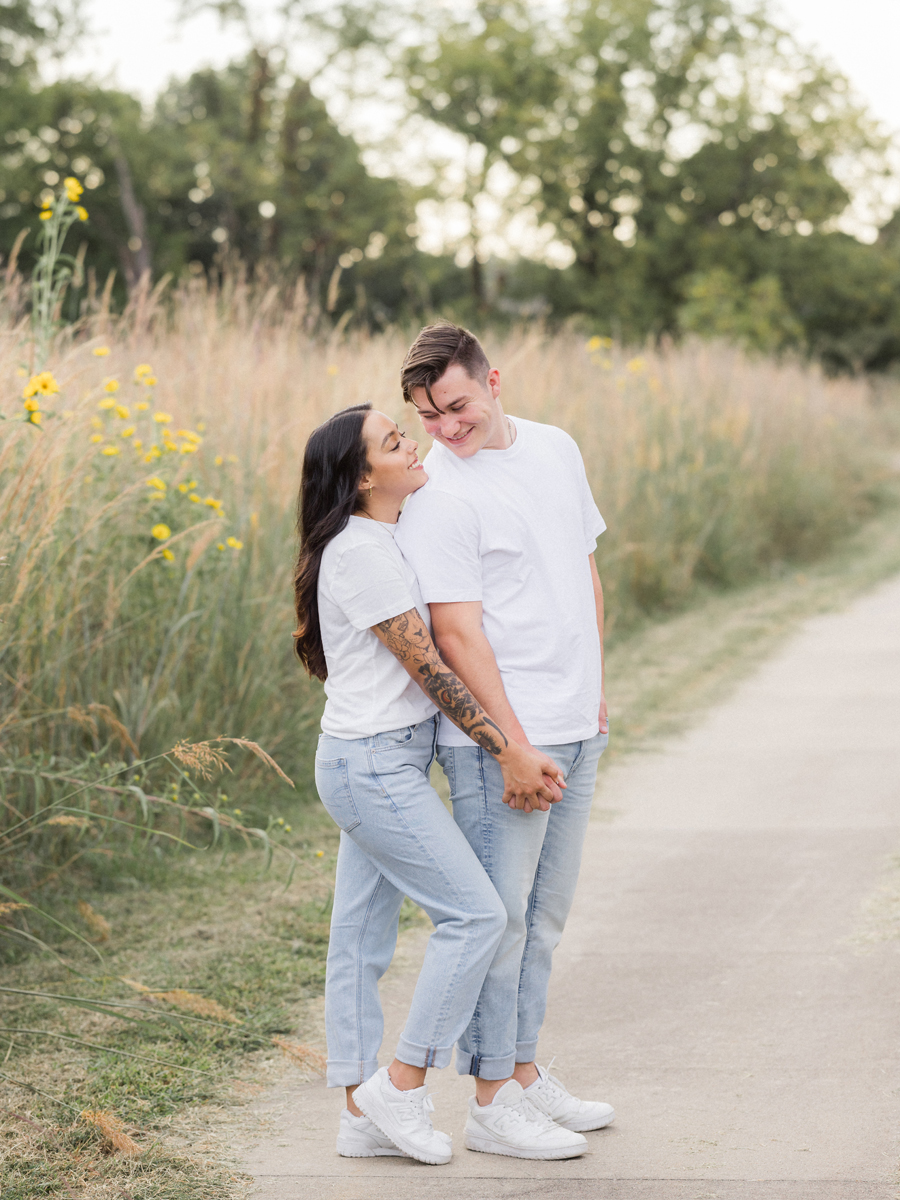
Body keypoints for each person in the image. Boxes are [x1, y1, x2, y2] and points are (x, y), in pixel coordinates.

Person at [292, 403, 582, 1166]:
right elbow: (431, 669)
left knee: (359, 939)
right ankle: (401, 1082)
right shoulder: (362, 552)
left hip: (379, 758)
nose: (415, 443)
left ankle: (360, 1114)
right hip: (372, 765)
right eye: (395, 442)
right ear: (361, 479)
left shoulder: (380, 536)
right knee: (476, 915)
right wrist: (508, 749)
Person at [394, 322, 615, 1159]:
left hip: (576, 723)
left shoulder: (557, 449)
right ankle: (490, 1103)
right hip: (501, 745)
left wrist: (595, 692)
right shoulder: (440, 494)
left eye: (455, 406)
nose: (446, 429)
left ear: (495, 381)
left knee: (545, 920)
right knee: (502, 922)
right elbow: (456, 634)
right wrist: (509, 746)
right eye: (427, 417)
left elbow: (582, 565)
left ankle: (520, 1071)